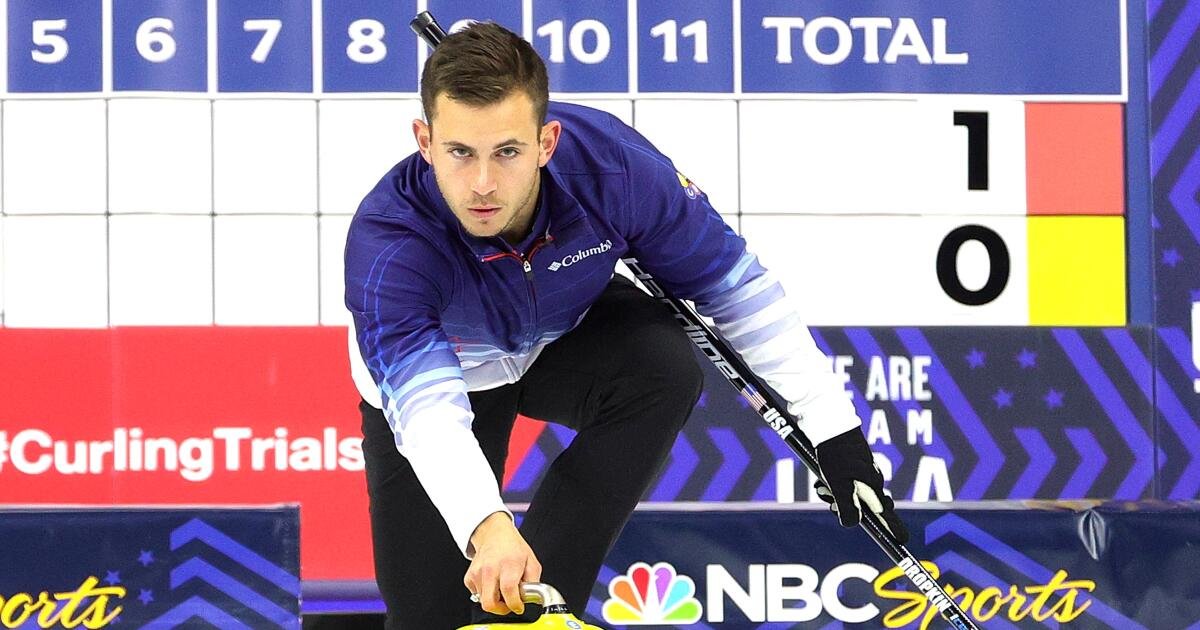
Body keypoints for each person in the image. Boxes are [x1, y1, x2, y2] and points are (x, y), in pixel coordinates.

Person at [344, 21, 907, 630]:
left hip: (563, 333)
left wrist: (836, 433)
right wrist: (488, 526)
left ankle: (540, 614)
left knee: (661, 370)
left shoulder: (614, 171)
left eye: (507, 151)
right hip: (449, 377)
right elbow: (429, 413)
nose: (483, 183)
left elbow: (740, 294)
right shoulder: (389, 244)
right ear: (424, 141)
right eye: (460, 153)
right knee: (433, 619)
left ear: (547, 141)